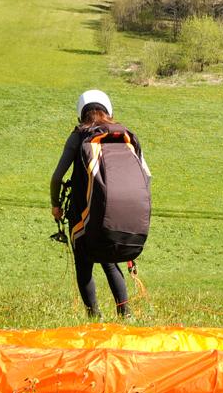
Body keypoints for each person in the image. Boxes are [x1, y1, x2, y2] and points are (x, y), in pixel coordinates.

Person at [50, 89, 150, 320]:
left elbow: (57, 177)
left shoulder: (79, 135)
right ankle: (125, 313)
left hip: (82, 214)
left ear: (80, 113)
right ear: (108, 109)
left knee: (84, 264)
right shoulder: (125, 135)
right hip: (114, 214)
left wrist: (56, 205)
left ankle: (95, 317)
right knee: (109, 262)